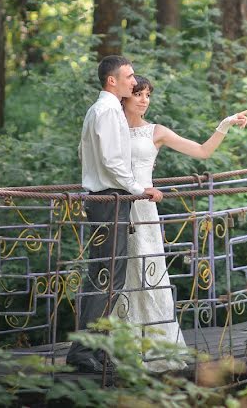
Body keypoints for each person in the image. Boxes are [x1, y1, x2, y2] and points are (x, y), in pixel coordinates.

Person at [120, 75, 247, 372]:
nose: (144, 99)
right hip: (115, 208)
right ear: (124, 96)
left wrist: (225, 124)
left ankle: (157, 346)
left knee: (149, 272)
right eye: (138, 94)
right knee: (120, 275)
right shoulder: (110, 127)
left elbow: (202, 151)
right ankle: (120, 347)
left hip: (144, 210)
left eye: (148, 94)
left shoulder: (156, 131)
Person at [66, 56, 164, 376]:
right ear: (113, 81)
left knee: (110, 278)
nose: (134, 82)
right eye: (129, 77)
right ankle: (83, 351)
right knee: (106, 278)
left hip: (108, 199)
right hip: (109, 201)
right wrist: (138, 189)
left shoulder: (105, 110)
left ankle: (97, 349)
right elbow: (112, 162)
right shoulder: (107, 111)